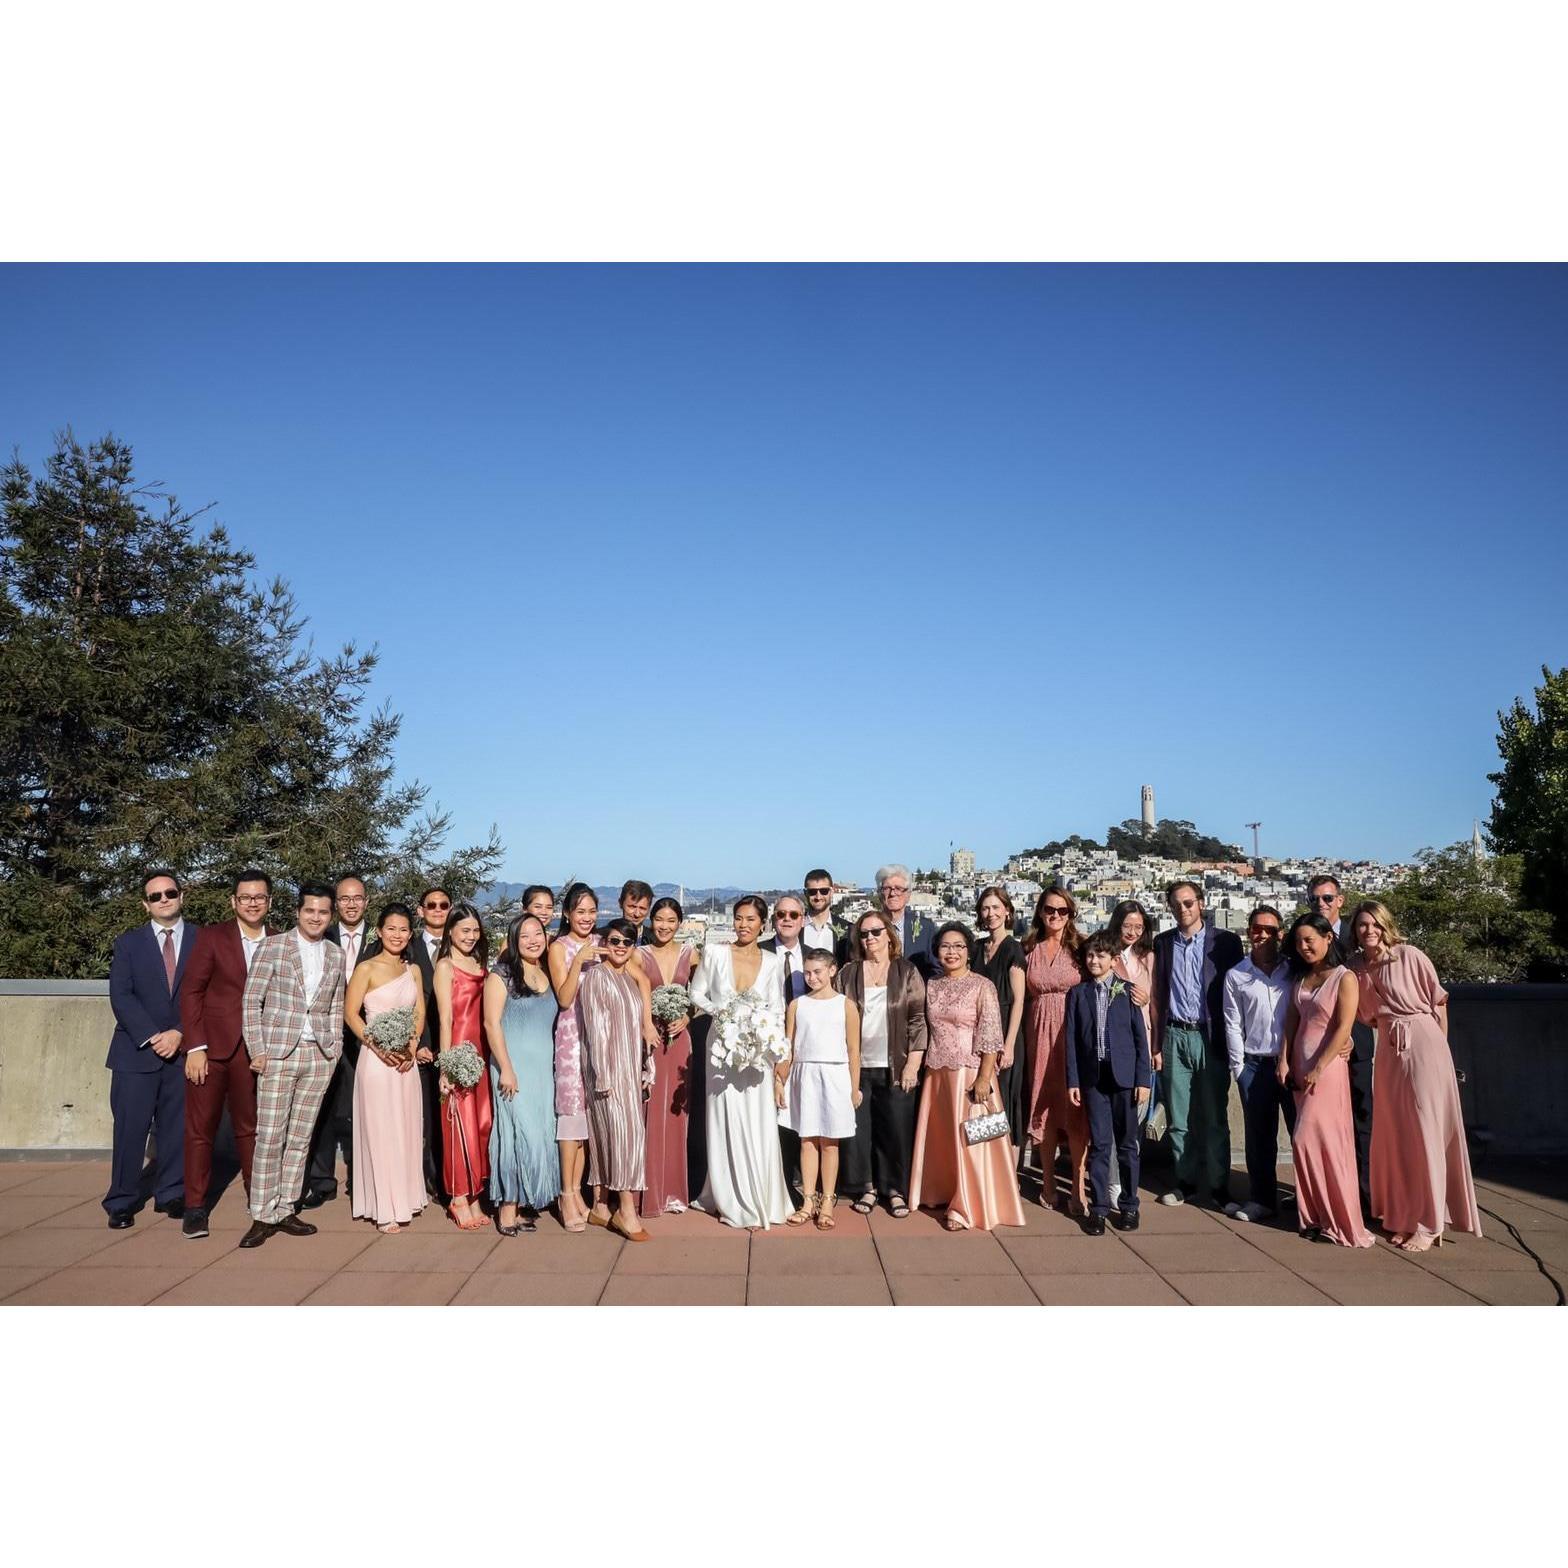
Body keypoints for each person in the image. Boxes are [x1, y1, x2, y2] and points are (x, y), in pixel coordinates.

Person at [1351, 899, 1482, 1251]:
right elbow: (1363, 1014)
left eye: (1375, 924)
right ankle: (1406, 1215)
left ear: (1386, 925)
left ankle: (1431, 1222)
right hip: (1388, 1048)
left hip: (1423, 1043)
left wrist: (1440, 1053)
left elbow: (1439, 1004)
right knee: (1396, 1134)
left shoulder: (1409, 956)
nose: (1369, 930)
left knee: (1426, 1132)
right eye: (1362, 924)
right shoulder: (1357, 968)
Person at [237, 882, 346, 1249]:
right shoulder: (273, 947)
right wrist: (258, 1050)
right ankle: (262, 1213)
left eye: (323, 912)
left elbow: (335, 1006)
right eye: (309, 910)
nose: (316, 917)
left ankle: (285, 1208)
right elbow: (251, 1001)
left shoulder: (335, 954)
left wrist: (333, 1051)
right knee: (269, 1136)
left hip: (318, 1057)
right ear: (298, 912)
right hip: (278, 1055)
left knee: (300, 1138)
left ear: (330, 915)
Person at [908, 923, 1026, 1232]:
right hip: (937, 1074)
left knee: (972, 1140)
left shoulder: (982, 986)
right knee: (943, 1140)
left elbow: (990, 1035)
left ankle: (967, 1206)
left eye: (959, 946)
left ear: (969, 951)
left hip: (970, 1073)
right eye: (945, 946)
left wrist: (984, 1077)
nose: (952, 952)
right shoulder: (932, 985)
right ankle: (941, 1191)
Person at [177, 869, 270, 1238]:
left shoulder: (280, 940)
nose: (252, 903)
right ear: (233, 901)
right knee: (201, 1131)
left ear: (269, 901)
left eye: (259, 897)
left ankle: (257, 1199)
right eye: (245, 897)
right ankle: (195, 1207)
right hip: (212, 1050)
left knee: (252, 1130)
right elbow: (191, 992)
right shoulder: (211, 937)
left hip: (257, 1052)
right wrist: (195, 1047)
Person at [691, 895, 792, 1229]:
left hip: (759, 1052)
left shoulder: (773, 961)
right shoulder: (715, 953)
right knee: (725, 1117)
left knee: (758, 1120)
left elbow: (777, 1009)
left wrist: (779, 1053)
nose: (743, 925)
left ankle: (761, 1194)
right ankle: (729, 1198)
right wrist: (721, 1013)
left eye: (750, 919)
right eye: (738, 918)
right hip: (721, 1049)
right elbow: (696, 993)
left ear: (762, 924)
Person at [103, 869, 195, 1228]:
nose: (163, 900)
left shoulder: (202, 940)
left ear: (181, 896)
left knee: (176, 1128)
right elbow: (121, 995)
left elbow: (209, 994)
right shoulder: (129, 943)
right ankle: (121, 1200)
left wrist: (180, 1034)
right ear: (146, 904)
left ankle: (171, 1193)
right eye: (155, 896)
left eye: (169, 893)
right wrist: (154, 1036)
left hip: (182, 1052)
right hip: (136, 1053)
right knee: (130, 1131)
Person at [1281, 914, 1372, 1248]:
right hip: (1301, 1065)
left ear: (1328, 938)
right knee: (1310, 1143)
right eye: (1298, 942)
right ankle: (1313, 1217)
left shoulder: (1344, 978)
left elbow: (1344, 1027)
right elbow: (1291, 1021)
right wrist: (1284, 1059)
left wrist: (1320, 1066)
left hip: (1327, 1069)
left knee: (1313, 1141)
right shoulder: (1302, 977)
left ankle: (1338, 1220)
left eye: (1310, 940)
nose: (1304, 947)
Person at [1151, 880, 1243, 1207]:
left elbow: (1238, 990)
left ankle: (1219, 1189)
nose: (1183, 909)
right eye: (1176, 904)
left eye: (1188, 903)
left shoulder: (1226, 942)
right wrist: (1156, 1044)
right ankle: (1185, 1183)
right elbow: (1157, 993)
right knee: (1178, 1119)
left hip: (1210, 1035)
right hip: (1174, 1034)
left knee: (1215, 1117)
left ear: (1201, 903)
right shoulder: (1163, 943)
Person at [837, 910, 927, 1218]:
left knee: (896, 1129)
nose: (870, 938)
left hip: (896, 1065)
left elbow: (917, 1020)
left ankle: (894, 1189)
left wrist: (913, 1064)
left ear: (889, 935)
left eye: (876, 931)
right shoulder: (848, 973)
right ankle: (868, 1186)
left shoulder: (906, 971)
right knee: (860, 1131)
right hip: (856, 1066)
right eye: (864, 934)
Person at [345, 903, 427, 1234]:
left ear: (410, 934)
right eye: (391, 928)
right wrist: (377, 1046)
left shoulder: (414, 970)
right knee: (380, 1130)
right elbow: (351, 1014)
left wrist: (411, 1045)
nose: (397, 935)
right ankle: (383, 1207)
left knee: (405, 1128)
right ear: (379, 931)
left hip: (405, 1061)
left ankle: (405, 1198)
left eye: (403, 929)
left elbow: (419, 1012)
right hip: (376, 1061)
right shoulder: (366, 968)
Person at [1065, 932, 1152, 1235]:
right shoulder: (1078, 994)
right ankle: (1099, 1208)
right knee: (1100, 1145)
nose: (1094, 960)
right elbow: (1072, 1041)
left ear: (1114, 960)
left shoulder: (1128, 992)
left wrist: (1143, 1080)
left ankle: (1129, 1205)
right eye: (1090, 955)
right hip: (1094, 1079)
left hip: (1125, 1079)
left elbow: (1140, 1040)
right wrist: (1073, 1080)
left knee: (1127, 1145)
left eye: (1101, 956)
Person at [484, 913, 563, 1235]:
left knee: (538, 1134)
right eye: (525, 935)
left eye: (538, 934)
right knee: (514, 1135)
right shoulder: (501, 975)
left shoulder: (547, 973)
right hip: (512, 1069)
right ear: (514, 941)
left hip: (542, 1070)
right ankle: (506, 1209)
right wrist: (506, 1068)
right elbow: (491, 1024)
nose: (533, 940)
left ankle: (522, 1203)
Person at [580, 917, 657, 1241]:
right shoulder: (596, 977)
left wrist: (646, 1067)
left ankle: (600, 1207)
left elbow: (638, 1027)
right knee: (623, 1138)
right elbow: (595, 1030)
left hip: (629, 1069)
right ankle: (626, 1209)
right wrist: (602, 1075)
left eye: (628, 942)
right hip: (608, 1072)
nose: (621, 947)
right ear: (604, 943)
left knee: (619, 1137)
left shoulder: (628, 977)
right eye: (615, 941)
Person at [776, 949, 861, 1230]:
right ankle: (808, 1201)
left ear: (832, 970)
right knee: (807, 1140)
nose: (812, 978)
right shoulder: (797, 1005)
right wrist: (780, 1081)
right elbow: (787, 1046)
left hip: (835, 1076)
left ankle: (827, 1200)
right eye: (808, 973)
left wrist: (854, 1088)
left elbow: (854, 1050)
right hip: (804, 1075)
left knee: (830, 1142)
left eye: (817, 972)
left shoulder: (846, 1005)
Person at [1221, 905, 1294, 1222]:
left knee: (1302, 1133)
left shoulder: (1293, 970)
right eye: (1256, 929)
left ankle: (1308, 1198)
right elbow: (1232, 1023)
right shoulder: (1237, 975)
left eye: (1270, 930)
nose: (1262, 935)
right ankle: (1262, 1199)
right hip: (1255, 1064)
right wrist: (1239, 1069)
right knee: (1259, 1138)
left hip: (1293, 1063)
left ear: (1281, 934)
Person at [1309, 874, 1375, 1218]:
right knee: (1326, 1123)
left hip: (1357, 1042)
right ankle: (1330, 1196)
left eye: (1327, 897)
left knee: (1363, 1119)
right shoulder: (1307, 933)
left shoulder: (1360, 933)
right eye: (1314, 899)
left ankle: (1366, 1197)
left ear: (1340, 900)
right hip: (1319, 1045)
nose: (1321, 903)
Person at [303, 872, 370, 1209]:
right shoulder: (320, 935)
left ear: (366, 901)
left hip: (368, 1038)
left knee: (364, 1110)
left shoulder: (381, 937)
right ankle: (321, 1180)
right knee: (323, 1108)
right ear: (335, 904)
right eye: (344, 898)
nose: (351, 904)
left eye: (357, 898)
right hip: (324, 1037)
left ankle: (361, 1178)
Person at [1023, 886, 1087, 1213]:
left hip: (1072, 1032)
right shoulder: (1028, 948)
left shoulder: (1081, 947)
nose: (1056, 916)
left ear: (1071, 914)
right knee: (1043, 1106)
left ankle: (1077, 1184)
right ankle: (1048, 1181)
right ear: (1040, 911)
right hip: (1037, 1033)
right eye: (1050, 909)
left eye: (1063, 911)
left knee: (1075, 1110)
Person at [433, 902, 493, 1230]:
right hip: (458, 1053)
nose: (471, 936)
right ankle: (458, 1196)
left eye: (475, 930)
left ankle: (475, 1194)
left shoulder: (480, 962)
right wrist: (445, 1066)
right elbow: (445, 1019)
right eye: (464, 930)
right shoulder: (445, 966)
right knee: (459, 1125)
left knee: (482, 1123)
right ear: (451, 932)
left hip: (482, 1052)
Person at [637, 896, 699, 1216]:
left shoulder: (691, 954)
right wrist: (646, 1024)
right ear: (651, 921)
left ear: (679, 923)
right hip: (649, 1040)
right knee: (649, 1111)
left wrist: (688, 1015)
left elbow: (703, 995)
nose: (664, 926)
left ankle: (673, 1190)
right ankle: (648, 1192)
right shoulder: (639, 954)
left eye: (671, 921)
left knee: (677, 1116)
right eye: (659, 919)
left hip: (680, 1042)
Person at [548, 882, 601, 1232]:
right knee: (570, 1120)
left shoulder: (603, 942)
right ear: (567, 914)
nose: (587, 917)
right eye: (580, 911)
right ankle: (565, 1194)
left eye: (592, 911)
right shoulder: (559, 948)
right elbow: (564, 999)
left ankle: (578, 1192)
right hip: (571, 1038)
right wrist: (579, 960)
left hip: (599, 1040)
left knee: (586, 1122)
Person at [1106, 897, 1156, 1208]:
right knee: (1113, 1123)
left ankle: (1128, 1181)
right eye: (1127, 925)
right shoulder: (1106, 954)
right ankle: (1113, 1181)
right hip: (1114, 1045)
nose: (1133, 932)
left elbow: (1156, 1001)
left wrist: (1157, 1048)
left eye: (1138, 926)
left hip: (1143, 1045)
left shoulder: (1147, 957)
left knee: (1134, 1122)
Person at [974, 887, 1028, 1162]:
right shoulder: (977, 947)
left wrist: (1008, 1045)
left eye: (996, 907)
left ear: (1007, 912)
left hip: (1006, 1031)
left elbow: (1018, 1000)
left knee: (1005, 1101)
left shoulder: (1013, 949)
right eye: (985, 908)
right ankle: (987, 1166)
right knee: (983, 1103)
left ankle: (1007, 1170)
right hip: (980, 1034)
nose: (991, 913)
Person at [762, 893, 810, 1195]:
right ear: (773, 919)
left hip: (807, 1043)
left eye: (793, 915)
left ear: (802, 920)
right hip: (769, 1042)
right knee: (774, 1110)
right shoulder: (760, 953)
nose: (787, 920)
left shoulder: (816, 955)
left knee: (801, 1109)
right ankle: (776, 1178)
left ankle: (800, 1178)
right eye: (781, 914)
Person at [873, 864, 936, 976]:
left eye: (898, 888)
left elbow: (937, 969)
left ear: (908, 895)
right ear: (879, 893)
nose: (893, 893)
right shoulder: (867, 929)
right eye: (887, 888)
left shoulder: (926, 929)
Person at [802, 868, 849, 962]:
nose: (818, 897)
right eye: (812, 892)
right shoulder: (796, 927)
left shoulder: (848, 929)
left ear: (832, 892)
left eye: (824, 891)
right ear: (805, 893)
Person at [601, 879, 654, 944]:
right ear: (620, 903)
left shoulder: (654, 940)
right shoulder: (600, 936)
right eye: (632, 907)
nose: (637, 914)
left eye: (642, 908)